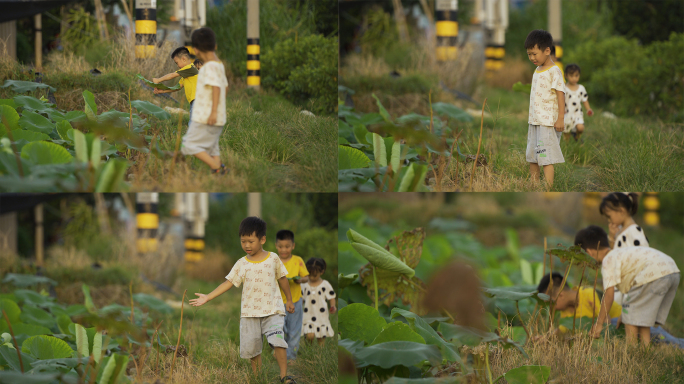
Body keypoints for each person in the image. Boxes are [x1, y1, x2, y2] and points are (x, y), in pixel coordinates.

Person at [189, 217, 297, 384]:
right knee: (253, 349)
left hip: (273, 310)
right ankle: (257, 378)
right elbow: (229, 282)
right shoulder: (242, 264)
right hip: (249, 313)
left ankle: (284, 377)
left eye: (250, 241)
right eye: (243, 241)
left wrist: (289, 300)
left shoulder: (273, 258)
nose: (246, 245)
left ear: (262, 239)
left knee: (278, 341)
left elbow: (282, 279)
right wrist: (208, 296)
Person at [574, 225, 680, 345]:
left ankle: (632, 350)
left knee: (631, 319)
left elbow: (609, 296)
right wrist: (624, 313)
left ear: (589, 252)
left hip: (653, 274)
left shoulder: (607, 261)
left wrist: (599, 324)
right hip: (672, 271)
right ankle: (645, 351)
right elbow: (631, 293)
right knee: (642, 319)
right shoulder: (620, 254)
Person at [537, 272, 684, 348]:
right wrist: (545, 338)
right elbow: (562, 330)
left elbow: (605, 321)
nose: (551, 309)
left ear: (560, 296)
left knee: (662, 338)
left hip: (624, 324)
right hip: (617, 337)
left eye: (551, 304)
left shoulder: (588, 293)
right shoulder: (566, 313)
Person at [181, 27, 229, 174]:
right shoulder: (219, 66)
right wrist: (218, 109)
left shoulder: (209, 68)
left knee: (189, 145)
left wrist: (213, 111)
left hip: (205, 117)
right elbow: (224, 88)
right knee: (212, 146)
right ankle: (220, 170)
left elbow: (216, 87)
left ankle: (216, 168)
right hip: (217, 117)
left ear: (195, 50)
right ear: (215, 46)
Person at [524, 30, 566, 189]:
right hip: (534, 121)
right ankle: (533, 185)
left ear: (547, 50)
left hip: (547, 123)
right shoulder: (537, 70)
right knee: (533, 156)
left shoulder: (554, 71)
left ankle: (548, 187)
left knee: (545, 156)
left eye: (534, 54)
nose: (532, 58)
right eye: (529, 54)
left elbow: (561, 95)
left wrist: (560, 118)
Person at [275, 230, 309, 363]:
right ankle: (279, 351)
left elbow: (306, 277)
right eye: (280, 246)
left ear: (293, 246)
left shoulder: (298, 261)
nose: (284, 250)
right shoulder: (274, 260)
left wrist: (300, 280)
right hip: (277, 301)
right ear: (276, 246)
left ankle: (291, 356)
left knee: (294, 329)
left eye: (287, 247)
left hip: (295, 300)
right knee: (279, 328)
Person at [152, 47, 199, 118]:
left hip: (197, 101)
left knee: (193, 124)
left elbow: (172, 75)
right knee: (194, 124)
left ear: (184, 59)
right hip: (194, 102)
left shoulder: (190, 68)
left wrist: (158, 80)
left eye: (177, 63)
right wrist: (162, 91)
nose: (177, 66)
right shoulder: (186, 74)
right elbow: (177, 87)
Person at [301, 258, 336, 346]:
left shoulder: (325, 284)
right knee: (310, 335)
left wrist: (333, 306)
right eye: (309, 275)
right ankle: (309, 348)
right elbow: (301, 298)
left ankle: (320, 353)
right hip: (308, 313)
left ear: (322, 272)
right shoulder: (304, 284)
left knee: (321, 336)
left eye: (314, 275)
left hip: (321, 314)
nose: (311, 278)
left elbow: (331, 296)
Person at [562, 64, 593, 142]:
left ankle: (577, 138)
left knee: (580, 127)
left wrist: (588, 109)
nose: (574, 78)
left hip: (577, 113)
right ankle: (567, 146)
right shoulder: (564, 88)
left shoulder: (581, 88)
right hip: (567, 113)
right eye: (571, 76)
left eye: (576, 75)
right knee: (566, 133)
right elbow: (560, 100)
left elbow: (584, 99)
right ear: (566, 75)